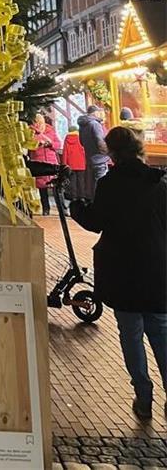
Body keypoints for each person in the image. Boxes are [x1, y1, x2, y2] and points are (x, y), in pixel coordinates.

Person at [71, 126, 166, 421]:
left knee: (131, 335)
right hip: (157, 270)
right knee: (162, 335)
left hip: (123, 271)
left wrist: (77, 208)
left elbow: (96, 222)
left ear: (110, 152)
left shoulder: (109, 184)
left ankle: (143, 395)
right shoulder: (159, 183)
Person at [29, 111, 61, 215]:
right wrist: (37, 144)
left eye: (40, 121)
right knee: (42, 188)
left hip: (51, 161)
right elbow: (29, 146)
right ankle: (46, 209)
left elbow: (58, 144)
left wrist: (50, 144)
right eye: (36, 122)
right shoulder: (31, 132)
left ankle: (62, 209)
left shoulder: (50, 131)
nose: (38, 124)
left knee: (56, 186)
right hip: (39, 161)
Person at [77, 105, 108, 198]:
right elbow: (100, 141)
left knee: (93, 184)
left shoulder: (83, 125)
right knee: (101, 184)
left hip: (89, 158)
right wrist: (107, 152)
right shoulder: (95, 124)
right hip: (99, 159)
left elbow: (81, 142)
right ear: (95, 113)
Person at [61, 124, 86, 200]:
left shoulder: (67, 138)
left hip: (71, 163)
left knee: (72, 181)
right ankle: (81, 196)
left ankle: (74, 197)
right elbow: (84, 150)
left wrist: (64, 163)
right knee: (81, 181)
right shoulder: (81, 137)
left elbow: (65, 151)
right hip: (81, 162)